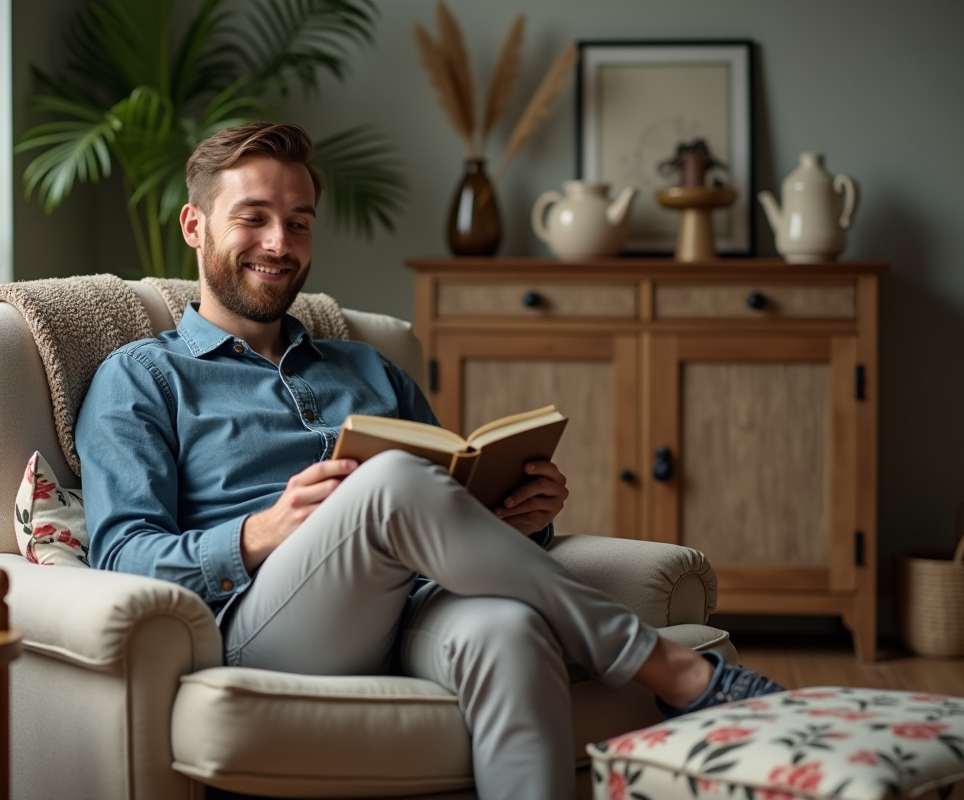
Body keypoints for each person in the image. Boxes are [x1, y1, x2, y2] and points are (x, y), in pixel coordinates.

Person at [76, 121, 782, 799]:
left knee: (509, 630)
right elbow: (122, 557)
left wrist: (518, 516)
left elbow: (445, 495)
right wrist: (262, 532)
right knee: (388, 480)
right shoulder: (143, 377)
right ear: (195, 227)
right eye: (253, 217)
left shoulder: (369, 368)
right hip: (268, 624)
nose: (279, 242)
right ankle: (673, 670)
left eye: (299, 221)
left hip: (416, 604)